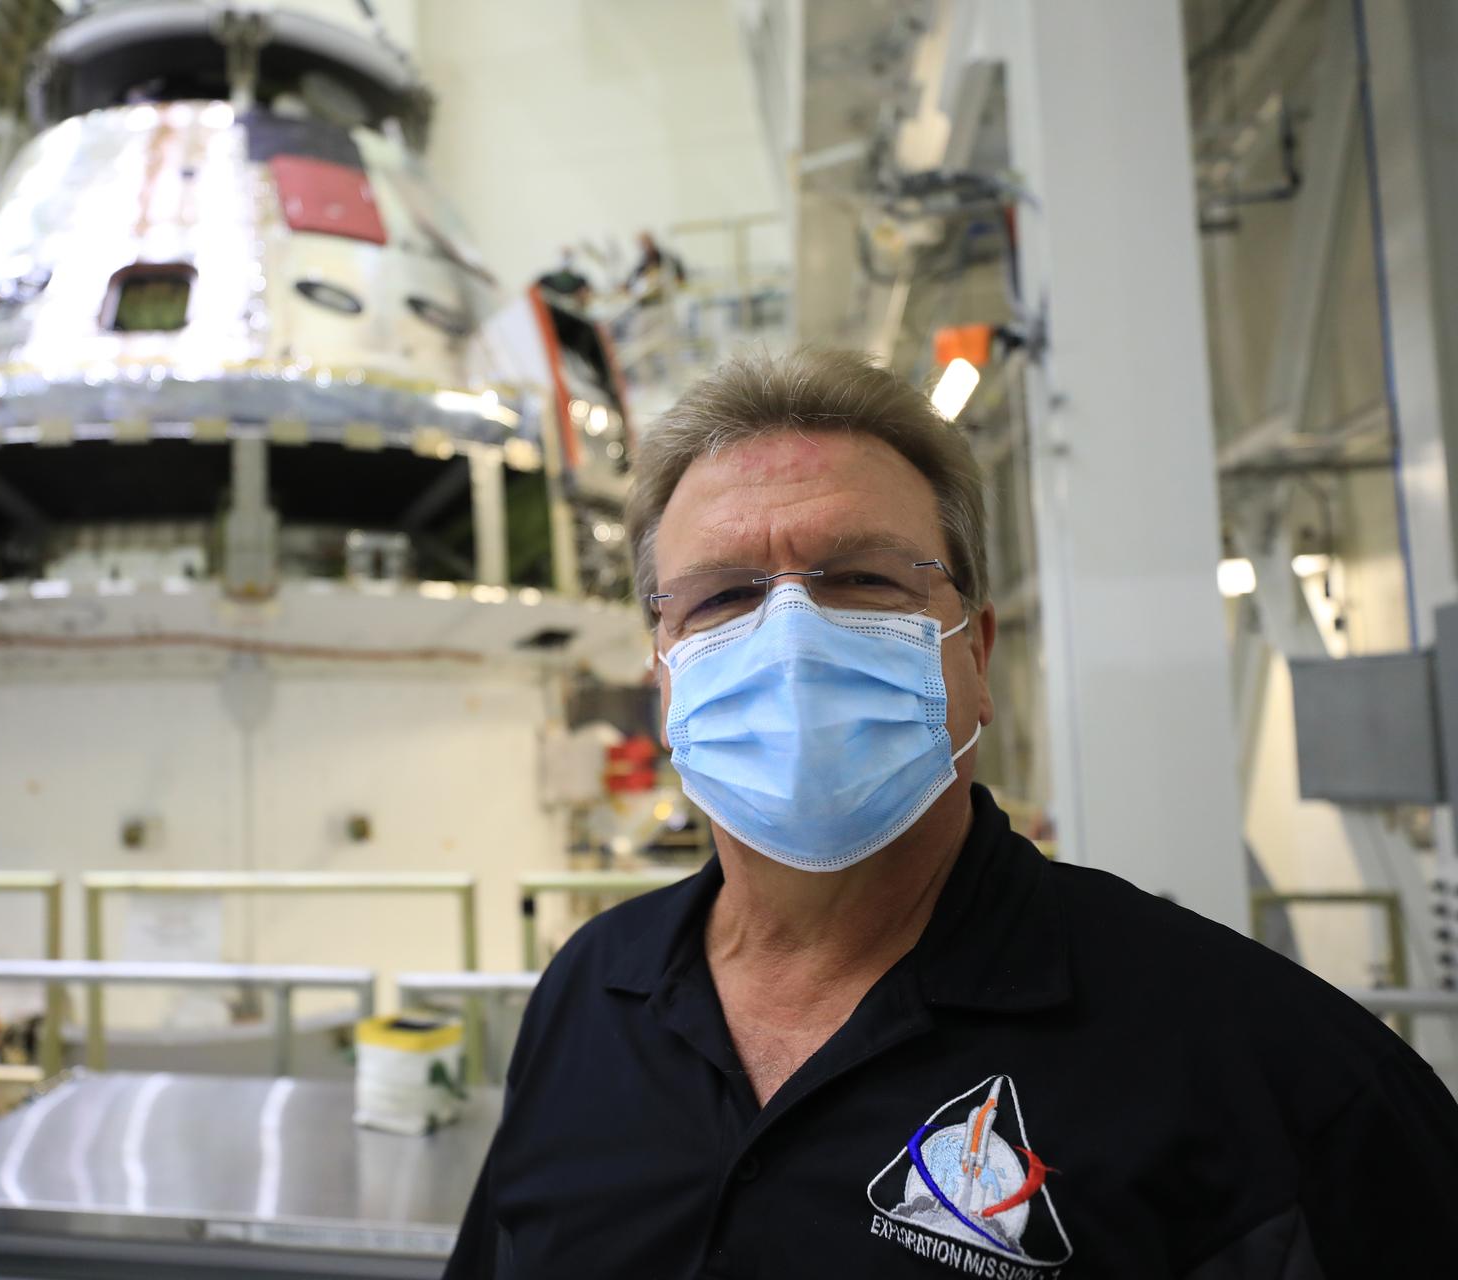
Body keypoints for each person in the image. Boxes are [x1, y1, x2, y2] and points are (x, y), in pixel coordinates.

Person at [443, 348, 1458, 1278]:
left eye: (863, 578)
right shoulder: (589, 994)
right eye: (722, 597)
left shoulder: (1268, 1071)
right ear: (664, 675)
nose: (792, 642)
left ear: (975, 655)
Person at [625, 228, 686, 303]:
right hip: (649, 301)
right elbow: (632, 281)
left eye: (647, 242)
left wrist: (676, 281)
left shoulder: (668, 258)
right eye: (642, 244)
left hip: (670, 298)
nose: (646, 246)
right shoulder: (640, 263)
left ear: (652, 241)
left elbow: (681, 275)